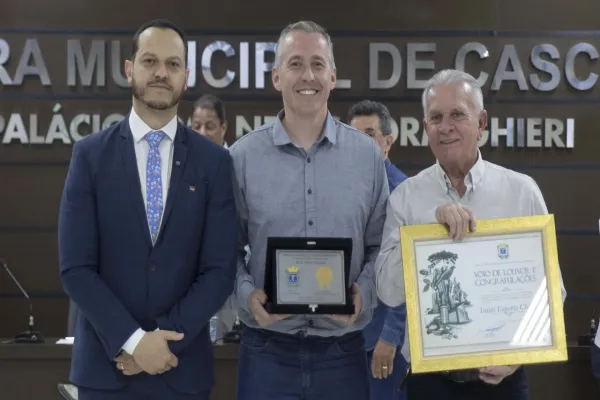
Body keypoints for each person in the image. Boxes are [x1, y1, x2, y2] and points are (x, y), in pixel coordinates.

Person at [58, 19, 237, 400]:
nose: (161, 73)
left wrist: (162, 343)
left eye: (173, 64)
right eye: (150, 61)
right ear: (130, 69)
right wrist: (134, 341)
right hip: (105, 372)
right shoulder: (89, 156)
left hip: (182, 372)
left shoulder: (214, 163)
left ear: (186, 76)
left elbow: (220, 270)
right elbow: (76, 267)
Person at [373, 69, 567, 400]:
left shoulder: (520, 192)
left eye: (457, 115)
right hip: (430, 384)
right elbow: (388, 293)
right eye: (436, 117)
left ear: (481, 123)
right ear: (426, 128)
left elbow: (551, 294)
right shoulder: (406, 198)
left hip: (503, 384)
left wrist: (516, 357)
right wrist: (428, 227)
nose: (445, 126)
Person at [229, 20, 389, 400]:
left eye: (318, 64)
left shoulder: (367, 157)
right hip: (266, 352)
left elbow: (382, 247)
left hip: (343, 354)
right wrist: (247, 295)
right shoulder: (242, 158)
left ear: (332, 77)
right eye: (295, 64)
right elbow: (223, 251)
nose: (308, 76)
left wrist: (364, 293)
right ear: (276, 77)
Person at [348, 99, 408, 400]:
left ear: (387, 143)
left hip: (382, 341)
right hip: (344, 337)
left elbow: (410, 271)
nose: (361, 144)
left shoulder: (404, 193)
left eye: (369, 135)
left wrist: (391, 336)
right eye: (354, 136)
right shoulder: (342, 189)